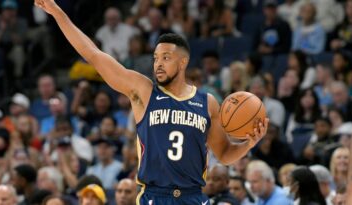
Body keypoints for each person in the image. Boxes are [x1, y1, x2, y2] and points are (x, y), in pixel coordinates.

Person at [34, 1, 269, 204]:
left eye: (166, 58)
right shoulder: (143, 91)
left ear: (183, 62)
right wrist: (57, 12)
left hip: (194, 196)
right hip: (154, 196)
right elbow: (93, 54)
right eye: (156, 58)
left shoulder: (207, 103)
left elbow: (225, 154)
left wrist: (248, 143)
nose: (158, 64)